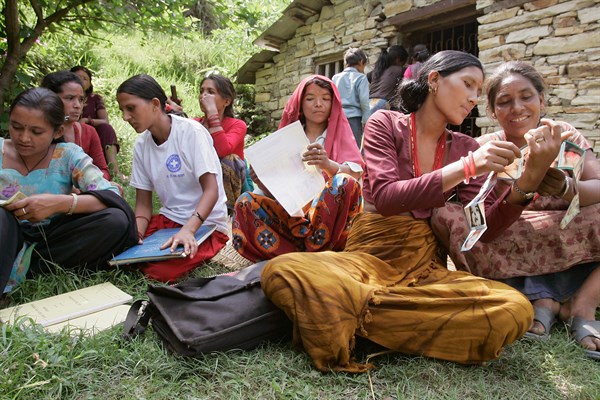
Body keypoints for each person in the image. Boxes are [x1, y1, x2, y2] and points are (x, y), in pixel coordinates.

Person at [260, 51, 534, 373]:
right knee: (284, 270)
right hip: (368, 258)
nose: (474, 97)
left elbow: (483, 228)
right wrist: (468, 168)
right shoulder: (385, 123)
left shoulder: (464, 146)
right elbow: (387, 196)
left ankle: (349, 314)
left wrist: (528, 180)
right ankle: (379, 318)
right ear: (434, 79)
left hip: (423, 270)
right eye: (468, 84)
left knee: (514, 308)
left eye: (478, 89)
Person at [431, 61, 600, 359]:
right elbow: (474, 214)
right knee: (446, 215)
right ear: (493, 112)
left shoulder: (563, 138)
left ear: (542, 101)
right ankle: (542, 299)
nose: (517, 107)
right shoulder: (485, 148)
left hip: (566, 226)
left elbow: (597, 184)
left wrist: (566, 189)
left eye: (526, 97)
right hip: (510, 235)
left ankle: (583, 304)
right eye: (505, 102)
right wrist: (511, 190)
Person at [0, 88, 136, 295]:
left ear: (58, 131)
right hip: (6, 236)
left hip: (53, 240)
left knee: (115, 220)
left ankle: (25, 265)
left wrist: (60, 203)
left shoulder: (68, 156)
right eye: (16, 127)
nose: (24, 138)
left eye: (36, 132)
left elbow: (111, 195)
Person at [232, 75, 364, 262]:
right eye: (310, 98)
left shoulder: (341, 136)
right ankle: (288, 257)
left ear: (333, 104)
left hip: (328, 225)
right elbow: (274, 193)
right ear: (300, 104)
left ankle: (320, 254)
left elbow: (356, 177)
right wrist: (261, 179)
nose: (318, 103)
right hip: (290, 217)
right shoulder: (285, 139)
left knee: (344, 181)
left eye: (325, 98)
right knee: (244, 202)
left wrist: (327, 164)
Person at [116, 74, 229, 282]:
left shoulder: (191, 132)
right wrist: (138, 236)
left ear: (155, 104)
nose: (125, 117)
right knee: (119, 249)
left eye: (131, 108)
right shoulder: (141, 145)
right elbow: (142, 205)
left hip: (206, 225)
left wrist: (188, 230)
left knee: (160, 273)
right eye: (122, 110)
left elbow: (211, 191)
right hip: (169, 221)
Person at [192, 74, 250, 212]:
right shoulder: (194, 124)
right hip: (202, 180)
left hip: (233, 188)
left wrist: (212, 112)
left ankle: (229, 211)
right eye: (201, 91)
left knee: (230, 159)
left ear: (226, 101)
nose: (203, 96)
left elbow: (222, 150)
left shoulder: (238, 125)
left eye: (210, 92)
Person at [41, 71, 111, 181]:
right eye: (69, 98)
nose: (77, 105)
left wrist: (87, 182)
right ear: (50, 99)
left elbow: (103, 170)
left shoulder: (89, 132)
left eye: (81, 99)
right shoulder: (37, 131)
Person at [71, 66, 126, 181]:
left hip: (93, 130)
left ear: (90, 83)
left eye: (85, 78)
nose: (81, 80)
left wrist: (87, 121)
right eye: (77, 77)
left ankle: (113, 168)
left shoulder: (95, 98)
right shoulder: (65, 98)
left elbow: (105, 120)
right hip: (72, 129)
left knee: (107, 128)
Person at [332, 47, 370, 147]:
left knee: (339, 147)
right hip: (354, 119)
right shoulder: (361, 78)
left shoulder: (335, 77)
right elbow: (364, 100)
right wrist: (366, 120)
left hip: (338, 117)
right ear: (361, 62)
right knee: (354, 148)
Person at [368, 45, 408, 114]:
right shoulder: (400, 70)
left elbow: (368, 76)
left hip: (369, 103)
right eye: (403, 63)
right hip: (382, 105)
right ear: (398, 59)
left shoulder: (376, 71)